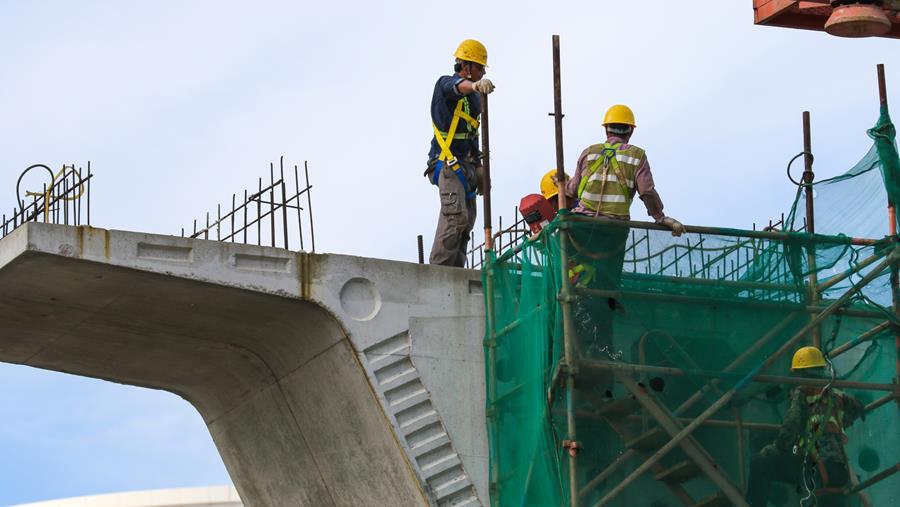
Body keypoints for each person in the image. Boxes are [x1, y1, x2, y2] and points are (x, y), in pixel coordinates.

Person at [563, 104, 684, 358]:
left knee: (574, 276)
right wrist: (660, 217)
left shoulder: (589, 153)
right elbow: (647, 191)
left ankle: (576, 310)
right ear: (630, 131)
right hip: (613, 231)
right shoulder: (637, 156)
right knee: (606, 281)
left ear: (606, 129)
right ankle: (605, 317)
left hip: (580, 228)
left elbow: (571, 191)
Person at [746, 346, 866, 507]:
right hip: (838, 468)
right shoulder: (837, 395)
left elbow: (791, 425)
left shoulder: (803, 391)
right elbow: (859, 408)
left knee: (759, 462)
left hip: (811, 464)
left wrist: (778, 448)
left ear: (800, 372)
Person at [426, 39, 496, 267]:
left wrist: (479, 167)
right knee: (455, 217)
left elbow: (472, 135)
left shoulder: (475, 100)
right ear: (465, 66)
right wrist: (474, 85)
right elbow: (456, 87)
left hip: (465, 166)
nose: (482, 71)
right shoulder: (445, 84)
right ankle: (439, 271)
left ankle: (456, 271)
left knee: (467, 223)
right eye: (479, 66)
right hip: (446, 163)